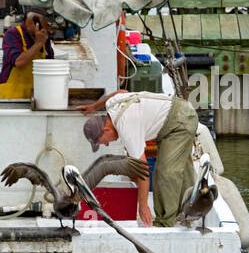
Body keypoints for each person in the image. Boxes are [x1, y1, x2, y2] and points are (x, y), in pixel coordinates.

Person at [80, 90, 198, 228]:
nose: (106, 144)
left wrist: (142, 206)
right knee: (179, 168)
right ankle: (190, 210)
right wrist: (94, 106)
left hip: (180, 121)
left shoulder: (126, 127)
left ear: (106, 130)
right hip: (175, 114)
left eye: (103, 141)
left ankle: (164, 223)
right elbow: (121, 92)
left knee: (166, 173)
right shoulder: (111, 105)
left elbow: (143, 170)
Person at [0, 8, 54, 100]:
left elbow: (50, 64)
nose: (46, 29)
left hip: (37, 94)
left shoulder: (44, 38)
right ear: (37, 24)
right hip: (13, 94)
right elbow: (19, 62)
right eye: (45, 26)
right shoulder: (12, 34)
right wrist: (38, 44)